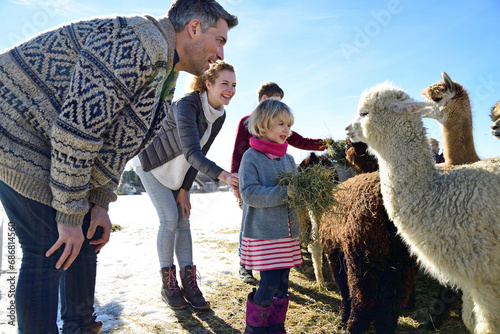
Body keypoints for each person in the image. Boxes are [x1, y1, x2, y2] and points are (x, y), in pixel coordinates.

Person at [0, 0, 237, 332]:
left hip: (48, 140)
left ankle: (80, 326)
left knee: (87, 236)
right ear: (194, 28)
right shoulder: (139, 43)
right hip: (12, 127)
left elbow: (115, 144)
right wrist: (69, 214)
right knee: (46, 247)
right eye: (220, 40)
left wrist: (98, 202)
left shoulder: (165, 73)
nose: (221, 54)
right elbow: (78, 130)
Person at [136, 61, 239, 310]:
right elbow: (192, 152)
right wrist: (224, 176)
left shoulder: (219, 114)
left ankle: (189, 284)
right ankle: (168, 284)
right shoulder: (186, 104)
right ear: (208, 83)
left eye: (234, 85)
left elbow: (200, 153)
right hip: (153, 164)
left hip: (180, 171)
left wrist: (184, 190)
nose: (230, 89)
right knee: (169, 218)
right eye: (224, 83)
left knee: (183, 219)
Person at [231, 82, 326, 283]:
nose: (287, 129)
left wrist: (324, 144)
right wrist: (236, 182)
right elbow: (238, 151)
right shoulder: (248, 122)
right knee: (250, 221)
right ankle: (245, 264)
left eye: (288, 125)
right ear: (265, 100)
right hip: (251, 177)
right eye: (276, 101)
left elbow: (298, 140)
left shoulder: (281, 133)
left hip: (275, 182)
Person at [239, 99, 303, 334]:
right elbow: (249, 193)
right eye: (281, 124)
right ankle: (254, 329)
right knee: (268, 284)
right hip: (264, 233)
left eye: (289, 125)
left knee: (283, 283)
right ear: (264, 126)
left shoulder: (288, 159)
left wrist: (303, 193)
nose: (287, 130)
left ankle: (276, 326)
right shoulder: (251, 157)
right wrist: (284, 192)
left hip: (286, 234)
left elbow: (296, 192)